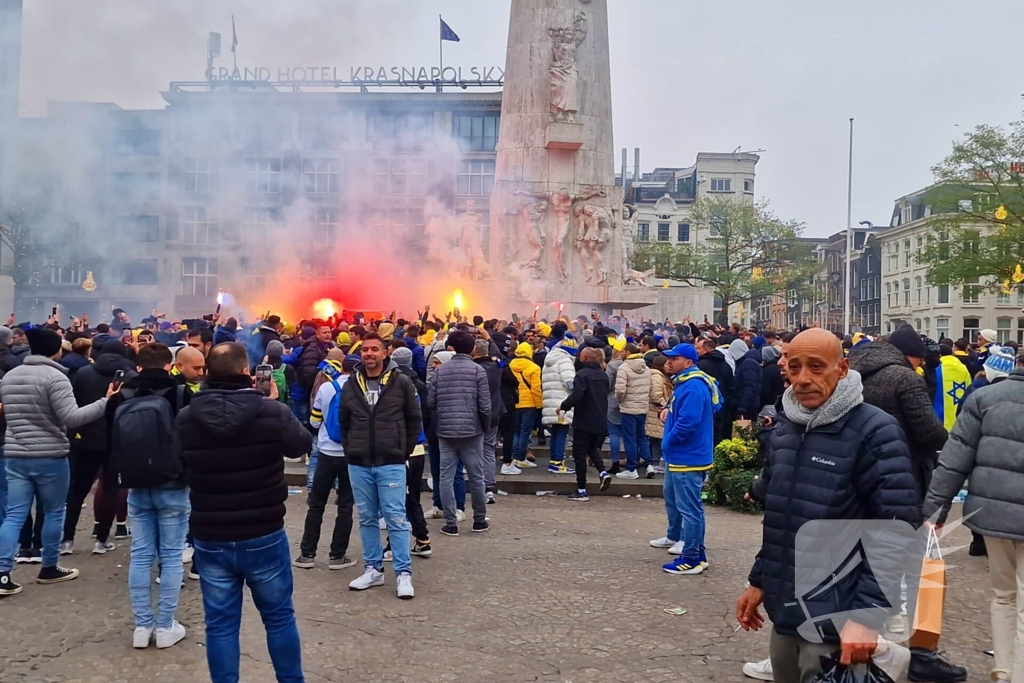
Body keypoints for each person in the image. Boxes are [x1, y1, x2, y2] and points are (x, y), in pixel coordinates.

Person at [735, 329, 920, 682]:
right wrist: (759, 580)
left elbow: (895, 529)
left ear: (843, 368)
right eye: (795, 366)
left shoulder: (875, 431)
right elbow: (781, 518)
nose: (803, 378)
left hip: (837, 616)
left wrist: (866, 616)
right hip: (786, 610)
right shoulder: (786, 428)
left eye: (817, 367)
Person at [177, 342, 311, 681]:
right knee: (279, 617)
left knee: (220, 625)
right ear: (245, 372)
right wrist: (275, 401)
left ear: (207, 373)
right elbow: (300, 445)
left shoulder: (187, 417)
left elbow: (177, 465)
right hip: (263, 530)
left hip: (211, 533)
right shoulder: (271, 412)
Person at [923, 349, 1024, 683]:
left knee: (1004, 595)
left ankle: (1005, 668)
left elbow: (955, 457)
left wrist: (936, 509)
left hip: (993, 514)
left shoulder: (986, 398)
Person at [0, 328, 113, 596]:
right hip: (50, 455)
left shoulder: (10, 377)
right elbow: (71, 417)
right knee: (53, 511)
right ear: (56, 349)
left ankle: (3, 572)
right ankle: (49, 566)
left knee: (14, 513)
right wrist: (104, 402)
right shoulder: (56, 377)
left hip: (16, 453)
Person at [108, 343, 191, 649]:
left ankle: (142, 627)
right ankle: (166, 625)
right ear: (170, 365)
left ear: (139, 366)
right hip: (172, 483)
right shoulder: (181, 394)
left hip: (136, 483)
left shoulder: (120, 396)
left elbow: (111, 441)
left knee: (140, 555)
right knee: (170, 556)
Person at [340, 333, 421, 599]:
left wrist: (402, 450)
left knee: (396, 518)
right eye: (365, 350)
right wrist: (351, 448)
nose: (369, 354)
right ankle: (373, 569)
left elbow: (414, 419)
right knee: (366, 518)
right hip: (359, 462)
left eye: (375, 349)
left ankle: (403, 573)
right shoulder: (352, 384)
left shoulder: (402, 383)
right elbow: (344, 422)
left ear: (386, 353)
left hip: (391, 461)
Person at [63, 340, 137, 555]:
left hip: (86, 438)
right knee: (111, 489)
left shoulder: (84, 373)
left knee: (78, 489)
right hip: (116, 439)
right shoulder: (130, 377)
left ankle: (67, 539)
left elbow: (74, 404)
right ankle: (102, 539)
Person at [654, 344, 719, 574]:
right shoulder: (689, 382)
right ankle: (694, 553)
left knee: (690, 510)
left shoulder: (692, 386)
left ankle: (692, 558)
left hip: (687, 457)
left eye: (675, 358)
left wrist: (668, 441)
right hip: (686, 455)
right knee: (688, 507)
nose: (669, 362)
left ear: (689, 362)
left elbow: (687, 423)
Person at [293, 355, 356, 572]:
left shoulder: (326, 389)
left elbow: (314, 421)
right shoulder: (361, 390)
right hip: (350, 455)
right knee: (346, 506)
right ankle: (337, 556)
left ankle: (307, 554)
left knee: (317, 505)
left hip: (326, 453)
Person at [429, 330, 491, 536]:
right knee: (476, 476)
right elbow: (485, 405)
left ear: (451, 347)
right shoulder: (477, 371)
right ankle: (479, 520)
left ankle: (451, 522)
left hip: (446, 430)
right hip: (472, 430)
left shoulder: (440, 371)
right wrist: (485, 425)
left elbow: (431, 402)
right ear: (473, 348)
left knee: (446, 476)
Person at [386, 347, 431, 559]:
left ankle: (409, 540)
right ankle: (421, 540)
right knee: (410, 498)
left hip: (402, 451)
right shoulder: (418, 386)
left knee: (399, 500)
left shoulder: (397, 389)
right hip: (417, 450)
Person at [558, 347, 612, 501]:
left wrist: (563, 406)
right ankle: (603, 472)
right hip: (600, 418)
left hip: (584, 419)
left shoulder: (582, 375)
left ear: (585, 358)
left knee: (579, 455)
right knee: (591, 448)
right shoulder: (603, 375)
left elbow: (577, 396)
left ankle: (581, 489)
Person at [472, 339, 505, 503]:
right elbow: (499, 356)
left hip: (476, 414)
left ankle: (479, 487)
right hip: (494, 413)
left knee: (475, 451)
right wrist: (491, 340)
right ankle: (488, 486)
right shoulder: (497, 366)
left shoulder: (473, 369)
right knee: (489, 450)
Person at [615, 343, 654, 479]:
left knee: (629, 439)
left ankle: (632, 469)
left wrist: (620, 400)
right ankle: (649, 464)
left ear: (627, 352)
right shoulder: (646, 368)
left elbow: (620, 390)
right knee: (641, 437)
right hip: (642, 408)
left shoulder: (624, 368)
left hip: (628, 408)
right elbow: (651, 388)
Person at [541, 335, 579, 474]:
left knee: (556, 433)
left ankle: (554, 461)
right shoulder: (565, 360)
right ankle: (558, 462)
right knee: (562, 433)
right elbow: (569, 383)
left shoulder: (550, 359)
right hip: (561, 402)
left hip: (550, 402)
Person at [507, 341, 542, 473]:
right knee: (524, 432)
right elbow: (536, 389)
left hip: (514, 402)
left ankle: (515, 457)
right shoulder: (534, 367)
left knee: (515, 431)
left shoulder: (510, 365)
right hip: (529, 404)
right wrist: (539, 405)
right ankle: (521, 459)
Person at [696, 337, 734, 446]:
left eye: (698, 348)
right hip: (723, 404)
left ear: (706, 350)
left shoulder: (701, 365)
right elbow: (731, 384)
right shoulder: (726, 364)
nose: (697, 351)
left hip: (707, 405)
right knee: (719, 433)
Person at [646, 355, 673, 473]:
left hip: (658, 411)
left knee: (656, 437)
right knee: (660, 437)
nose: (669, 366)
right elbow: (655, 395)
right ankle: (660, 461)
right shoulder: (657, 377)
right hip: (657, 411)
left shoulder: (662, 376)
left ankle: (656, 460)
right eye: (667, 364)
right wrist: (666, 405)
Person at [731, 338, 763, 421]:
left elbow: (750, 386)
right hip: (750, 404)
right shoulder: (748, 362)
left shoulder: (747, 363)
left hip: (748, 405)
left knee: (745, 430)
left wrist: (743, 406)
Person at [759, 345, 785, 412]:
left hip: (771, 403)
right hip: (781, 399)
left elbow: (765, 389)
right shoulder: (780, 366)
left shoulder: (768, 370)